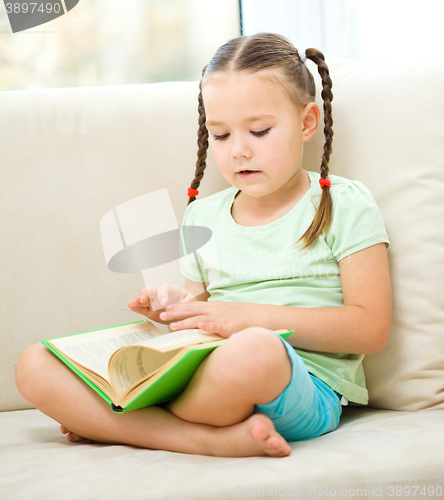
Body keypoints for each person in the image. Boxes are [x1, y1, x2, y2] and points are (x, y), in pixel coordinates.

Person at [15, 33, 392, 458]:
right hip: (208, 370)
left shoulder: (343, 202)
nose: (240, 151)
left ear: (307, 122)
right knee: (33, 364)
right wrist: (174, 308)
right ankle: (199, 437)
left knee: (256, 349)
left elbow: (370, 328)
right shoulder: (204, 215)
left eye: (259, 130)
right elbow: (207, 314)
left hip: (298, 381)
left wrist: (246, 319)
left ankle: (121, 422)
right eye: (221, 135)